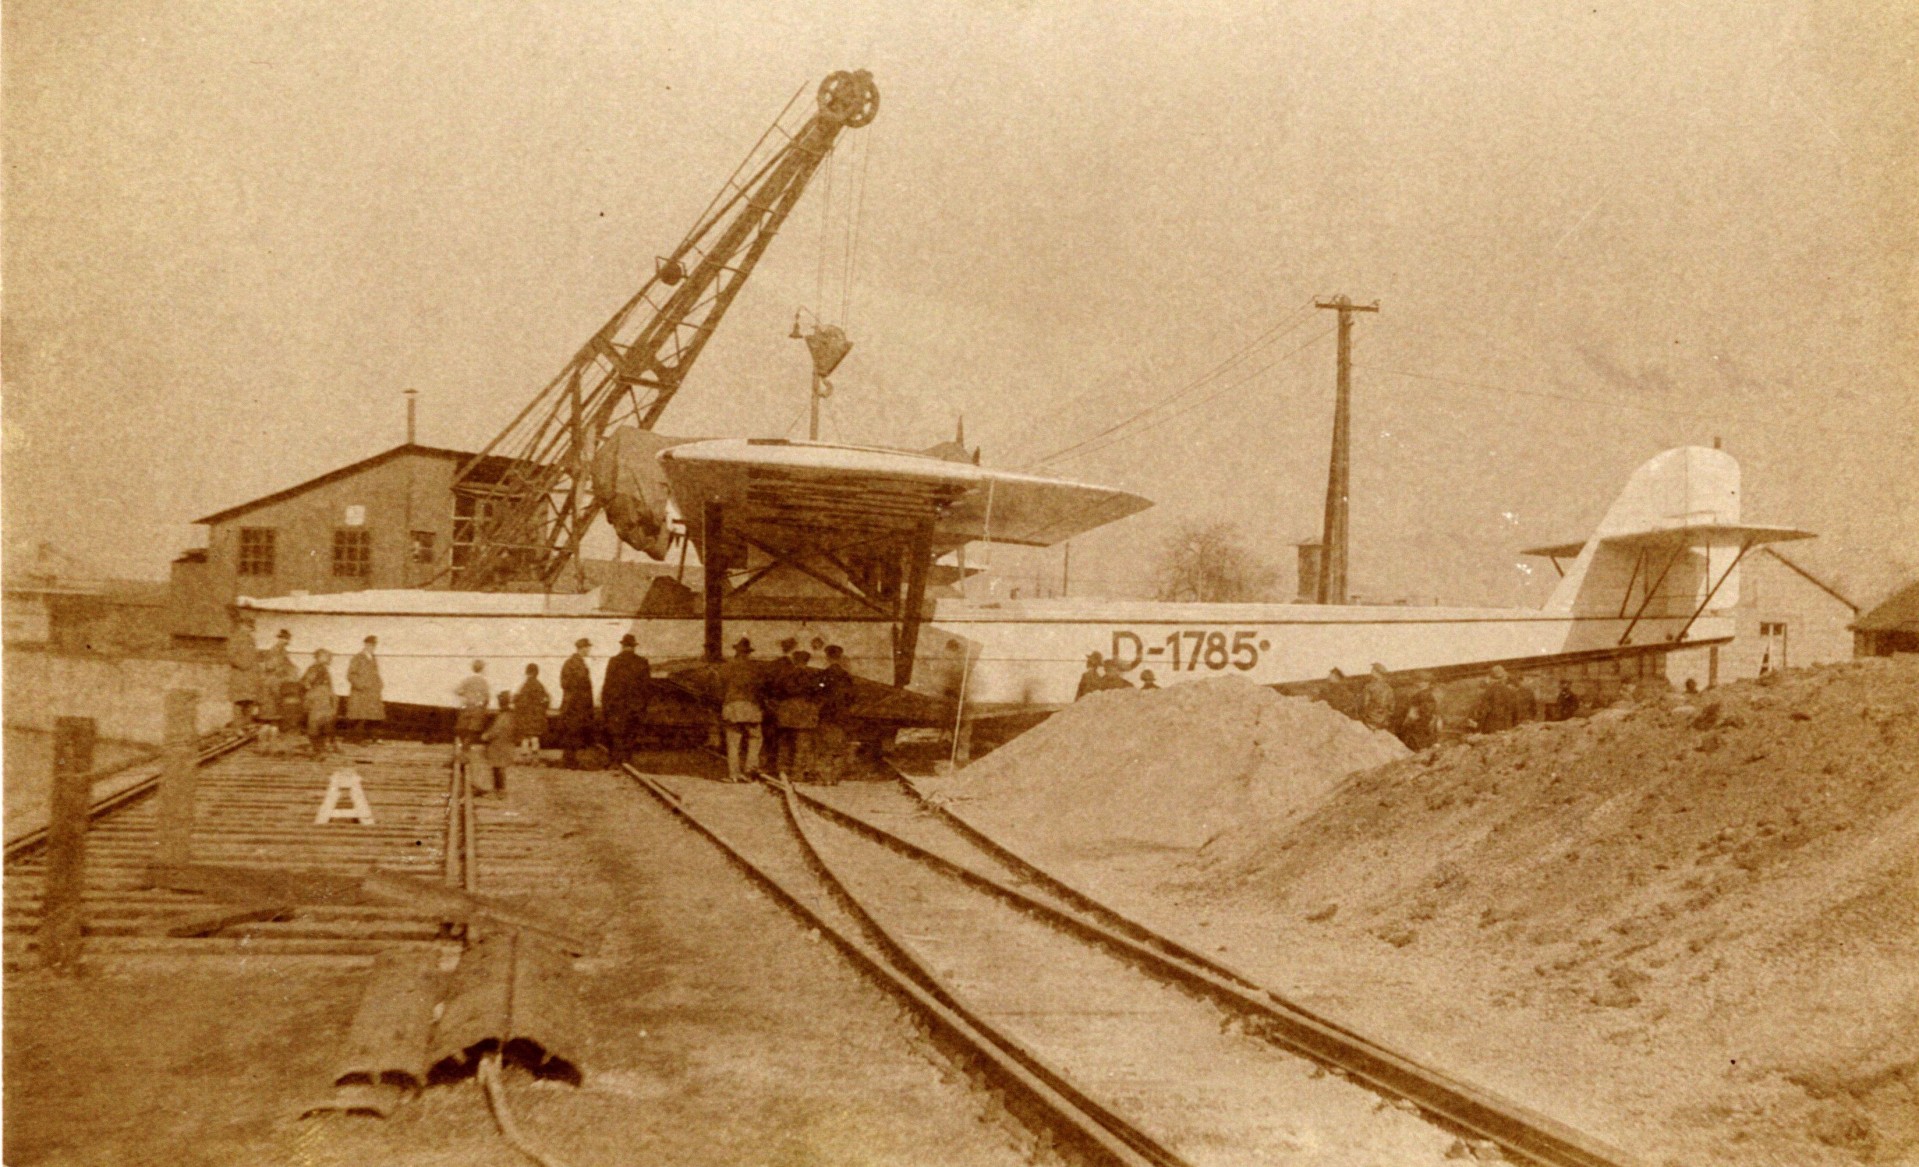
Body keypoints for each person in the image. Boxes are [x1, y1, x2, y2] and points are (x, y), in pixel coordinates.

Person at [774, 649, 825, 781]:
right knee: (802, 745)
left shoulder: (784, 675)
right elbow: (820, 692)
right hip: (806, 713)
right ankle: (797, 773)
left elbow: (775, 691)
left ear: (794, 660)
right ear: (807, 660)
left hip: (786, 711)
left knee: (785, 743)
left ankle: (782, 771)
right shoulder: (815, 675)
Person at [601, 633, 652, 767]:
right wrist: (643, 706)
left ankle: (615, 761)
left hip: (617, 706)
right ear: (634, 647)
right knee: (630, 733)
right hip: (635, 706)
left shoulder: (614, 661)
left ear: (622, 646)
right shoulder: (642, 662)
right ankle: (627, 761)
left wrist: (605, 705)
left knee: (616, 733)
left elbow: (607, 685)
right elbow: (646, 688)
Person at [718, 637, 764, 782]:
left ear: (736, 651)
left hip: (732, 707)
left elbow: (720, 686)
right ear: (748, 652)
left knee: (733, 742)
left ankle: (734, 775)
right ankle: (750, 771)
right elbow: (762, 687)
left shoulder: (726, 667)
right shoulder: (756, 668)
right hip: (751, 707)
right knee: (755, 738)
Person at [815, 644, 858, 784]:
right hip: (842, 715)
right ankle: (835, 778)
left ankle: (824, 777)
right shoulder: (847, 677)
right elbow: (852, 696)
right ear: (840, 657)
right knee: (839, 747)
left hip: (826, 714)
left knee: (824, 746)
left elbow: (817, 693)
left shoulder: (823, 676)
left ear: (827, 657)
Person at [558, 638, 596, 769]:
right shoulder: (574, 664)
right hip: (575, 706)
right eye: (588, 647)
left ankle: (570, 760)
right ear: (582, 648)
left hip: (575, 705)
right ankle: (570, 762)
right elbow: (566, 684)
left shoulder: (574, 663)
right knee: (573, 733)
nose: (589, 649)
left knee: (574, 733)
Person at [264, 629, 303, 744]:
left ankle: (278, 731)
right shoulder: (275, 650)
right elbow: (271, 666)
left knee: (281, 706)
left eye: (287, 639)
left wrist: (295, 669)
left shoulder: (283, 651)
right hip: (275, 680)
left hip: (281, 681)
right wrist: (285, 671)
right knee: (275, 707)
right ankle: (273, 734)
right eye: (284, 638)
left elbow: (288, 664)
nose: (286, 641)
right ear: (280, 638)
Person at [226, 610, 263, 729]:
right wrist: (243, 665)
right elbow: (231, 655)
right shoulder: (235, 638)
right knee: (239, 703)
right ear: (242, 626)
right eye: (248, 627)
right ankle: (237, 729)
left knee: (249, 702)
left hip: (251, 678)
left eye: (251, 628)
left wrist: (257, 672)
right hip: (240, 676)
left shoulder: (251, 640)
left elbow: (254, 657)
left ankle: (247, 727)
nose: (249, 630)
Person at [345, 635, 385, 743]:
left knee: (374, 715)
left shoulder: (373, 658)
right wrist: (360, 685)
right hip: (361, 692)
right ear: (366, 644)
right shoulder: (357, 658)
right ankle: (356, 738)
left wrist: (380, 684)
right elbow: (350, 675)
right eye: (370, 644)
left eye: (374, 645)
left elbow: (375, 673)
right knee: (359, 716)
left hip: (372, 691)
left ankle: (375, 737)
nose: (372, 647)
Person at [302, 648, 340, 757]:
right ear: (320, 657)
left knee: (325, 722)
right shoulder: (314, 668)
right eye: (327, 657)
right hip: (318, 700)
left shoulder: (322, 668)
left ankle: (322, 747)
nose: (330, 659)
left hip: (324, 698)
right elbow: (306, 683)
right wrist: (315, 693)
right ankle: (317, 749)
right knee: (316, 724)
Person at [482, 690, 516, 798]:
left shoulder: (504, 716)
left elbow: (497, 730)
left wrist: (487, 736)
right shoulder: (509, 715)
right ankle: (499, 790)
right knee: (498, 768)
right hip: (504, 744)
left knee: (498, 768)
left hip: (499, 745)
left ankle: (499, 791)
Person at [1472, 665, 1525, 734]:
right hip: (1507, 727)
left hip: (1490, 729)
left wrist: (1478, 728)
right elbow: (1516, 712)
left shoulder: (1487, 692)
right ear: (1504, 678)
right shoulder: (1510, 691)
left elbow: (1482, 711)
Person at [514, 663, 551, 762]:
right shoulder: (540, 685)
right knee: (535, 737)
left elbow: (516, 699)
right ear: (537, 673)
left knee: (525, 737)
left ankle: (524, 757)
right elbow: (547, 700)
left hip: (525, 716)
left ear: (527, 673)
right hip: (537, 717)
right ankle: (535, 758)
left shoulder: (524, 686)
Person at [1396, 672, 1441, 751]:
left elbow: (1411, 715)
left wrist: (1404, 725)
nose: (1417, 683)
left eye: (1420, 681)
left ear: (1426, 683)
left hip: (1417, 729)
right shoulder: (1431, 696)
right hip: (1427, 728)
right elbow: (1436, 716)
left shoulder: (1419, 696)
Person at [454, 659, 491, 753]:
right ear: (482, 669)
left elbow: (458, 691)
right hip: (477, 708)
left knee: (462, 728)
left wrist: (466, 695)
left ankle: (464, 747)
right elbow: (487, 697)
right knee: (474, 730)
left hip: (467, 706)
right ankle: (466, 746)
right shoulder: (483, 682)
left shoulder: (467, 680)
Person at [1360, 663, 1398, 732]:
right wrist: (1385, 717)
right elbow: (1392, 707)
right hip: (1384, 720)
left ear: (1377, 673)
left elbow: (1364, 704)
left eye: (1373, 670)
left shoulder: (1369, 687)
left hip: (1370, 719)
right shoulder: (1389, 689)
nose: (1371, 671)